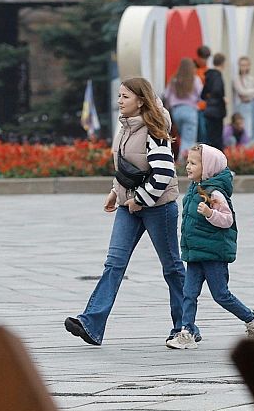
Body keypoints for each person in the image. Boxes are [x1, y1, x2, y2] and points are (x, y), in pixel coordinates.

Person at [65, 78, 185, 347]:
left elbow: (164, 172)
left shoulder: (154, 128)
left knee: (172, 268)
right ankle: (91, 324)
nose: (119, 101)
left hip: (158, 207)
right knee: (113, 264)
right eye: (119, 96)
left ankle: (185, 326)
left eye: (125, 97)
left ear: (140, 101)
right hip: (128, 206)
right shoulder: (125, 127)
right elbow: (125, 168)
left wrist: (141, 199)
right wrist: (115, 192)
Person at [167, 144, 254, 349]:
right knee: (189, 293)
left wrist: (210, 214)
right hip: (195, 253)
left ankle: (252, 319)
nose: (188, 166)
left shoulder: (215, 193)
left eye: (194, 163)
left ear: (209, 167)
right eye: (188, 162)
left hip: (213, 254)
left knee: (221, 295)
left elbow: (228, 220)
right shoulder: (196, 188)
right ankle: (187, 332)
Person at [163, 58, 202, 162]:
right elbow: (200, 94)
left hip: (176, 111)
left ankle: (183, 159)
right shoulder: (195, 79)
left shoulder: (174, 79)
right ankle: (184, 162)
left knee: (183, 136)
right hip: (190, 110)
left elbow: (166, 96)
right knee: (188, 139)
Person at [201, 52, 228, 151]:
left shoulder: (209, 75)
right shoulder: (217, 75)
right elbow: (217, 90)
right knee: (217, 139)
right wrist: (222, 98)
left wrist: (209, 97)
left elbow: (203, 94)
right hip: (217, 110)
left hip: (208, 110)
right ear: (223, 63)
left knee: (209, 137)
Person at [233, 56, 254, 141]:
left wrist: (249, 93)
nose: (244, 67)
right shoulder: (236, 79)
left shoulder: (251, 78)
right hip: (242, 106)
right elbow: (241, 92)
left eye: (245, 65)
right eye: (242, 65)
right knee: (245, 126)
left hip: (252, 104)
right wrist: (253, 92)